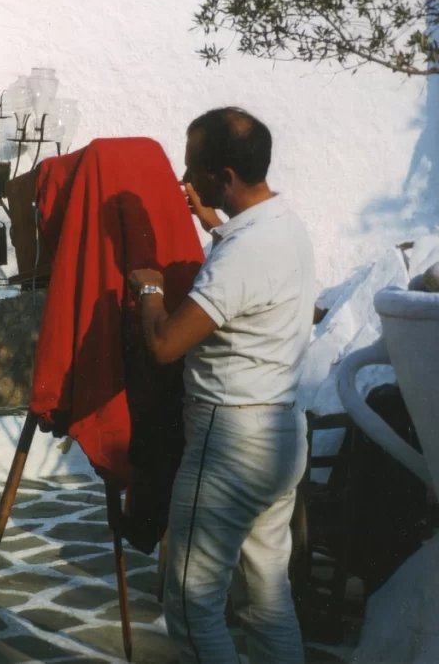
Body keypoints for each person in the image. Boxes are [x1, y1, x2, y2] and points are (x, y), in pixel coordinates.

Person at [128, 107, 315, 663]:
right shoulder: (284, 223)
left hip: (228, 443)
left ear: (224, 176)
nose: (185, 182)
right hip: (280, 435)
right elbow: (251, 273)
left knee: (191, 606)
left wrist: (149, 291)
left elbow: (165, 345)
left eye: (193, 171)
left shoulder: (241, 254)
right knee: (268, 599)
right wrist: (212, 220)